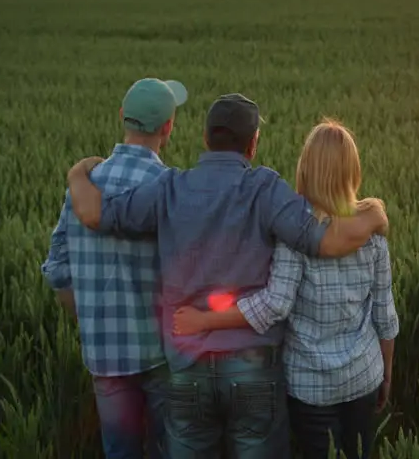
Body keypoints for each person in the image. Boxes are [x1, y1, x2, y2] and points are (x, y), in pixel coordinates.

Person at [64, 93, 389, 459]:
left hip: (187, 368)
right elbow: (326, 242)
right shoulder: (265, 189)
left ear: (205, 138)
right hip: (253, 371)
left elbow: (94, 214)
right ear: (253, 144)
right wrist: (373, 216)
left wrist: (77, 173)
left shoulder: (171, 188)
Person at [171, 119, 398, 459]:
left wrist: (204, 321)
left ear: (305, 168)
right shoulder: (371, 234)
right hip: (362, 377)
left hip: (310, 386)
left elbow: (276, 304)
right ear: (354, 170)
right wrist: (386, 374)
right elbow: (385, 315)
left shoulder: (295, 235)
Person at [41, 76, 189, 459]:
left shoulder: (83, 186)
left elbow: (57, 266)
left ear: (122, 115)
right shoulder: (170, 187)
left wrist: (87, 315)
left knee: (120, 452)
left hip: (105, 354)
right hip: (163, 353)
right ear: (168, 127)